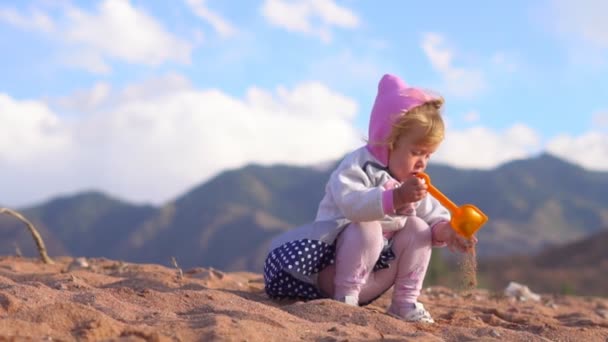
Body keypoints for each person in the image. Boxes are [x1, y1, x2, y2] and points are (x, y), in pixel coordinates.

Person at [263, 73, 476, 323]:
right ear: (390, 141)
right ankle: (345, 301)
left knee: (419, 227)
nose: (423, 162)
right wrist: (394, 197)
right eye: (416, 152)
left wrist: (448, 231)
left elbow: (433, 218)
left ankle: (405, 302)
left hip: (374, 277)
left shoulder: (415, 185)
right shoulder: (358, 166)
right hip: (332, 273)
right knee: (367, 227)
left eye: (428, 155)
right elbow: (352, 204)